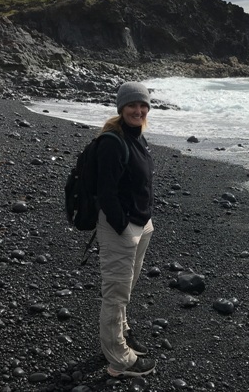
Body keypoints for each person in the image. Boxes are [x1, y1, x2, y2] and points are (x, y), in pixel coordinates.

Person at [96, 82, 156, 377]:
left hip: (141, 224)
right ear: (121, 107)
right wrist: (122, 225)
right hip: (121, 228)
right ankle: (119, 359)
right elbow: (104, 192)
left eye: (143, 105)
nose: (139, 110)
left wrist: (143, 221)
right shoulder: (112, 141)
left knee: (127, 285)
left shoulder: (138, 136)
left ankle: (121, 329)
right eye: (132, 105)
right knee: (116, 293)